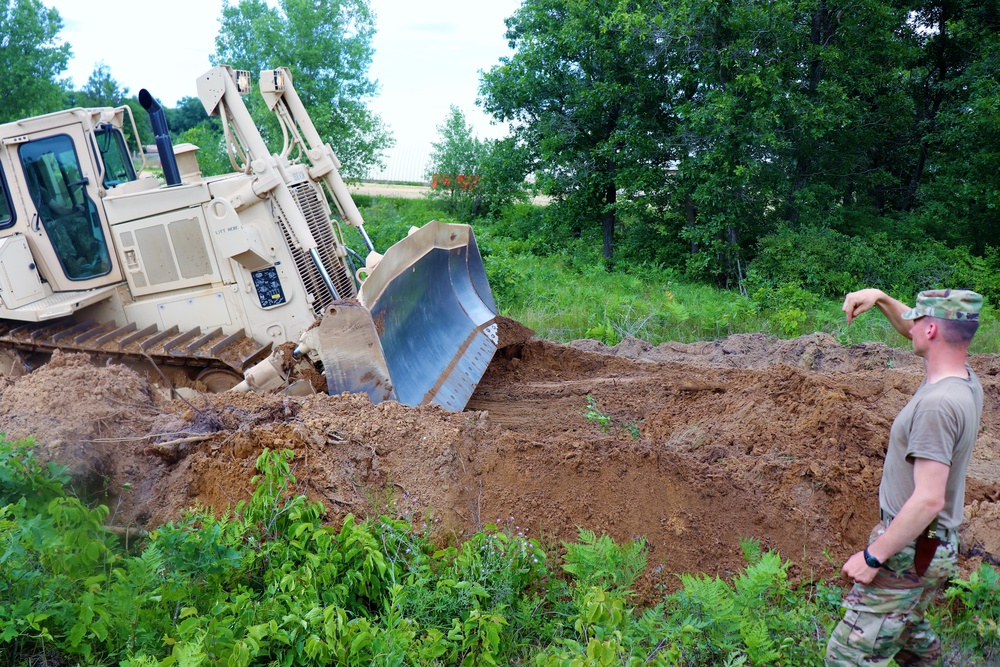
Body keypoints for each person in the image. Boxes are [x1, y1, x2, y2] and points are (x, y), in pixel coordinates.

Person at [825, 288, 984, 666]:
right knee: (913, 645)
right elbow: (915, 330)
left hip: (912, 550)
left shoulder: (938, 405)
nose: (908, 326)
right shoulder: (962, 379)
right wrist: (880, 298)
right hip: (929, 545)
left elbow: (929, 498)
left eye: (917, 321)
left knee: (846, 655)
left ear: (930, 330)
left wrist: (874, 556)